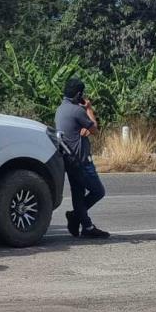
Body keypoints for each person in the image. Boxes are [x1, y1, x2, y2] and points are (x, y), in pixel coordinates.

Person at [55, 78, 109, 239]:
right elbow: (94, 129)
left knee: (78, 194)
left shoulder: (61, 109)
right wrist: (89, 109)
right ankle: (75, 216)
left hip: (69, 159)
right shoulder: (77, 111)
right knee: (98, 191)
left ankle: (87, 226)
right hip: (81, 160)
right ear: (79, 94)